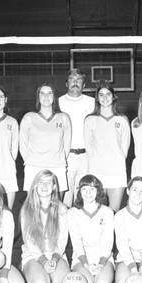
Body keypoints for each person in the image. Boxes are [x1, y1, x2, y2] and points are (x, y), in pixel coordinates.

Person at [20, 169, 70, 283]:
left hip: (56, 254)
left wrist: (54, 258)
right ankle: (33, 273)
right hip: (33, 255)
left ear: (54, 187)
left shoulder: (62, 209)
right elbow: (29, 241)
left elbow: (63, 240)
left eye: (48, 182)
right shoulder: (26, 209)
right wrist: (43, 261)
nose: (44, 186)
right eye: (41, 182)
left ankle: (50, 275)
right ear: (35, 186)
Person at [84, 81, 131, 212]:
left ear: (114, 96)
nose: (105, 98)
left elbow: (124, 148)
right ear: (97, 98)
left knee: (113, 211)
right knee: (97, 211)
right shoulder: (90, 120)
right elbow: (89, 148)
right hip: (97, 170)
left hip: (117, 171)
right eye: (101, 95)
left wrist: (115, 161)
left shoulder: (122, 120)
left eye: (108, 94)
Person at [19, 83, 71, 197]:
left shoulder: (64, 118)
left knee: (56, 208)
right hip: (34, 166)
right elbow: (22, 144)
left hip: (57, 167)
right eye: (42, 93)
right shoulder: (29, 117)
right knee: (34, 208)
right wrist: (32, 161)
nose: (46, 96)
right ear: (38, 97)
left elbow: (66, 145)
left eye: (49, 93)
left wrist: (58, 160)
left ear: (54, 97)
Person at [68, 174, 115, 283]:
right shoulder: (72, 213)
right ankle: (88, 274)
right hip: (82, 258)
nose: (88, 193)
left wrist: (101, 264)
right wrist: (86, 264)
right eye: (84, 189)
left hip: (103, 257)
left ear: (98, 191)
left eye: (92, 189)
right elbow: (76, 242)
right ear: (79, 191)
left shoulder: (108, 212)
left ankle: (103, 273)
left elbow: (108, 242)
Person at [58, 69, 95, 207]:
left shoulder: (92, 102)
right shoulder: (58, 102)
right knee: (65, 201)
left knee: (84, 199)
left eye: (78, 79)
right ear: (66, 83)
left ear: (84, 85)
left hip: (86, 156)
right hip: (65, 156)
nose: (75, 82)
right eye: (72, 79)